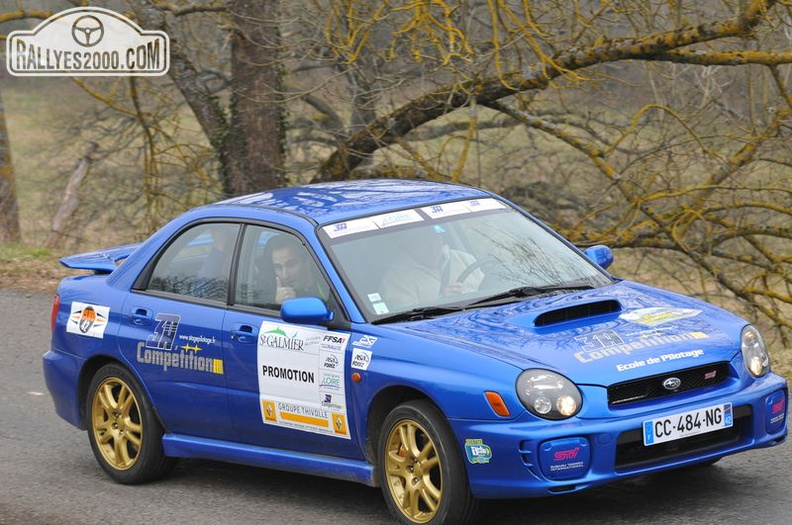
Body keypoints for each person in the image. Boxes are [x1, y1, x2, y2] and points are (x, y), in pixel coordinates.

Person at [381, 226, 484, 308]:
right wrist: (442, 302)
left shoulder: (464, 258)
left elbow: (487, 285)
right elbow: (406, 322)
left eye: (435, 238)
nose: (433, 247)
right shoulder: (396, 279)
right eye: (424, 242)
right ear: (409, 246)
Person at [266, 234, 328, 304]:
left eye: (291, 265)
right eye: (278, 267)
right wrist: (279, 306)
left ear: (307, 261)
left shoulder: (328, 282)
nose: (285, 275)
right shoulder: (268, 296)